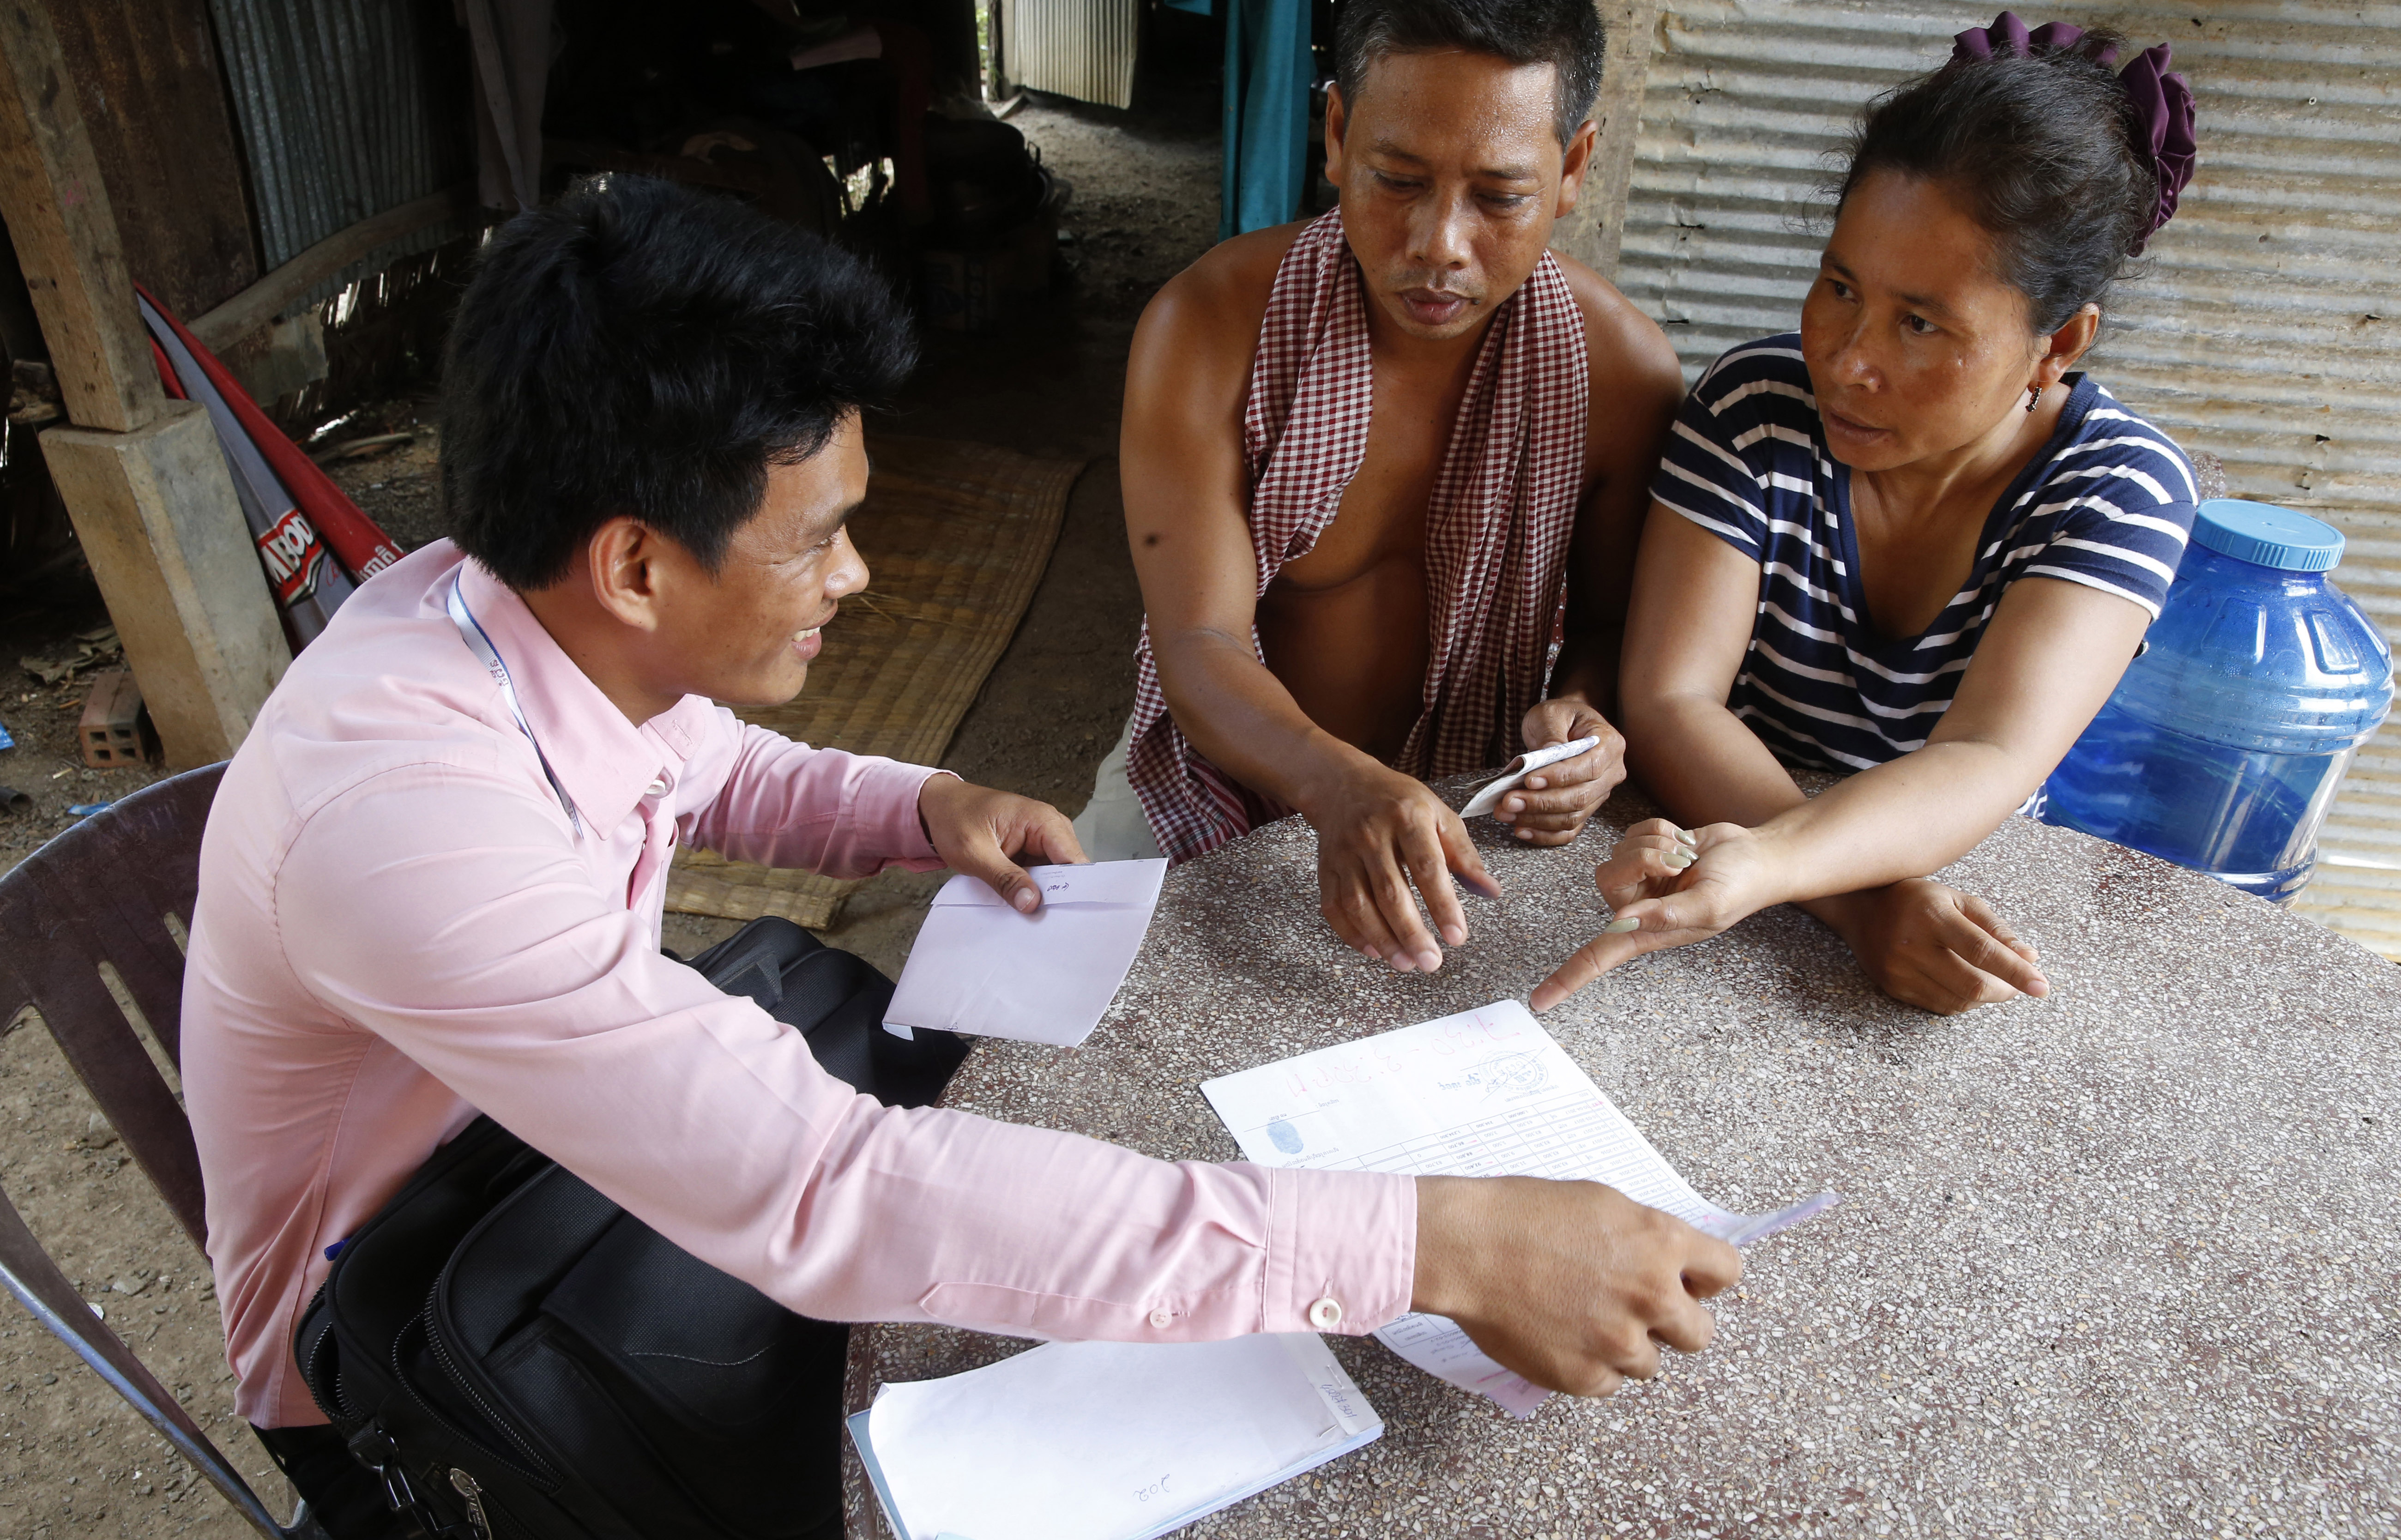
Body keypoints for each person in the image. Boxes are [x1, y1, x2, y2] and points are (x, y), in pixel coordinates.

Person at [182, 175, 1740, 1536]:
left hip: (568, 1166)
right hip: (408, 1339)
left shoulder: (510, 606)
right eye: (817, 537)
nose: (855, 573)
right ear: (639, 564)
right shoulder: (407, 828)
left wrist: (920, 804)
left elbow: (701, 757)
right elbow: (829, 1189)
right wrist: (1438, 1238)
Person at [1532, 13, 2201, 1016]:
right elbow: (1671, 701)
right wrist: (1850, 907)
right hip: (1713, 860)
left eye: (1920, 324)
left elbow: (1984, 756)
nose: (1847, 361)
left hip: (1959, 904)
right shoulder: (1755, 410)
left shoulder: (2117, 488)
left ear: (2057, 341)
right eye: (1837, 287)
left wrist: (1782, 872)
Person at [1085, 0, 1685, 980]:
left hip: (1465, 817)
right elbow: (1197, 647)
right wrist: (1341, 785)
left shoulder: (1619, 376)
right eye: (1397, 180)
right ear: (1332, 133)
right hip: (1203, 789)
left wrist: (1584, 727)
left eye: (1498, 197)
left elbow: (1602, 627)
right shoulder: (1211, 330)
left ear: (1574, 167)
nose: (1437, 243)